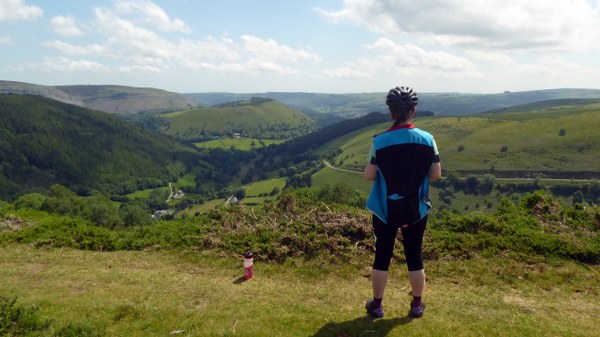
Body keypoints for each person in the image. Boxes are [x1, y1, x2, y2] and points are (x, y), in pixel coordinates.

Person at [363, 86, 442, 319]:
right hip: (415, 209)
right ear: (413, 110)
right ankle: (417, 305)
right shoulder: (428, 140)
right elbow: (436, 173)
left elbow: (369, 175)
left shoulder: (379, 141)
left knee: (382, 256)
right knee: (415, 255)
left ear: (390, 111)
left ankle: (377, 306)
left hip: (384, 209)